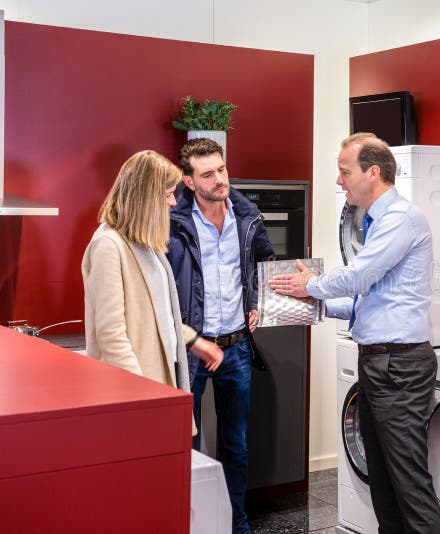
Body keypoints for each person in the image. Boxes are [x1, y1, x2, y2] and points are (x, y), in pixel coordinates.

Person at [270, 133, 440, 534]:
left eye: (344, 172)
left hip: (398, 365)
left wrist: (310, 286)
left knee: (409, 482)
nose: (338, 181)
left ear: (373, 172)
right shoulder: (376, 223)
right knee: (384, 480)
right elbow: (369, 299)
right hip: (380, 362)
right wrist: (311, 304)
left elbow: (359, 276)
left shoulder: (400, 219)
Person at [166, 137, 273, 534]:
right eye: (207, 174)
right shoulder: (174, 220)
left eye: (222, 169)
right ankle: (191, 524)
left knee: (236, 446)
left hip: (236, 346)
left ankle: (235, 522)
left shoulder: (246, 216)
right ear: (190, 182)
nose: (219, 179)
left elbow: (265, 261)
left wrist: (258, 298)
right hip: (191, 349)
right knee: (185, 447)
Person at [82, 150, 222, 399]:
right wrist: (140, 392)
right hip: (133, 389)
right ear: (145, 198)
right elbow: (111, 334)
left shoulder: (145, 244)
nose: (173, 202)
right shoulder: (109, 245)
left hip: (160, 378)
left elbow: (159, 315)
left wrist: (193, 340)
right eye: (168, 194)